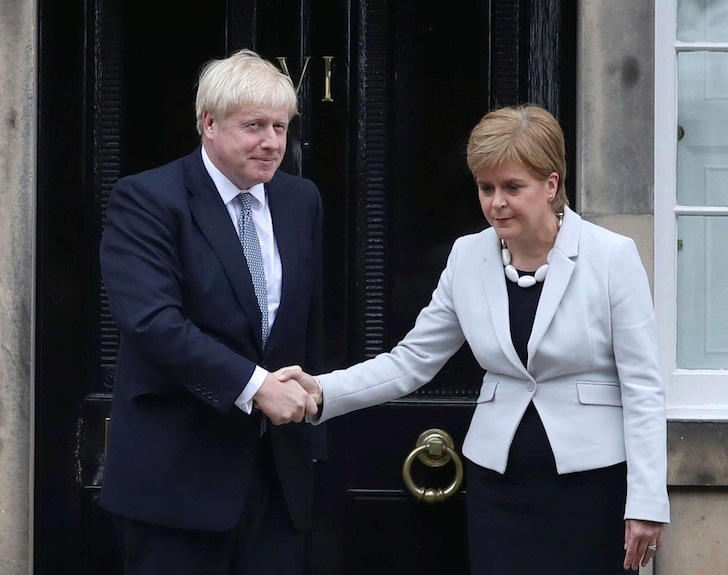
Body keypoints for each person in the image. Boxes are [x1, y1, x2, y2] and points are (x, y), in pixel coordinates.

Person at [281, 104, 669, 573]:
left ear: (551, 185)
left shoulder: (611, 256)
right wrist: (322, 391)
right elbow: (411, 361)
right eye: (486, 188)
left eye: (512, 187)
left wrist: (646, 501)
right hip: (497, 484)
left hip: (591, 487)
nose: (495, 203)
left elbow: (643, 387)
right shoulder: (468, 257)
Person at [99, 49, 324, 575]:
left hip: (278, 483)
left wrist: (313, 430)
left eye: (280, 126)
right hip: (176, 484)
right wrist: (256, 386)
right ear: (209, 124)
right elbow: (152, 322)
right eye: (254, 126)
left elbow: (308, 327)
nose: (272, 143)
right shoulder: (148, 199)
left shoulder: (301, 200)